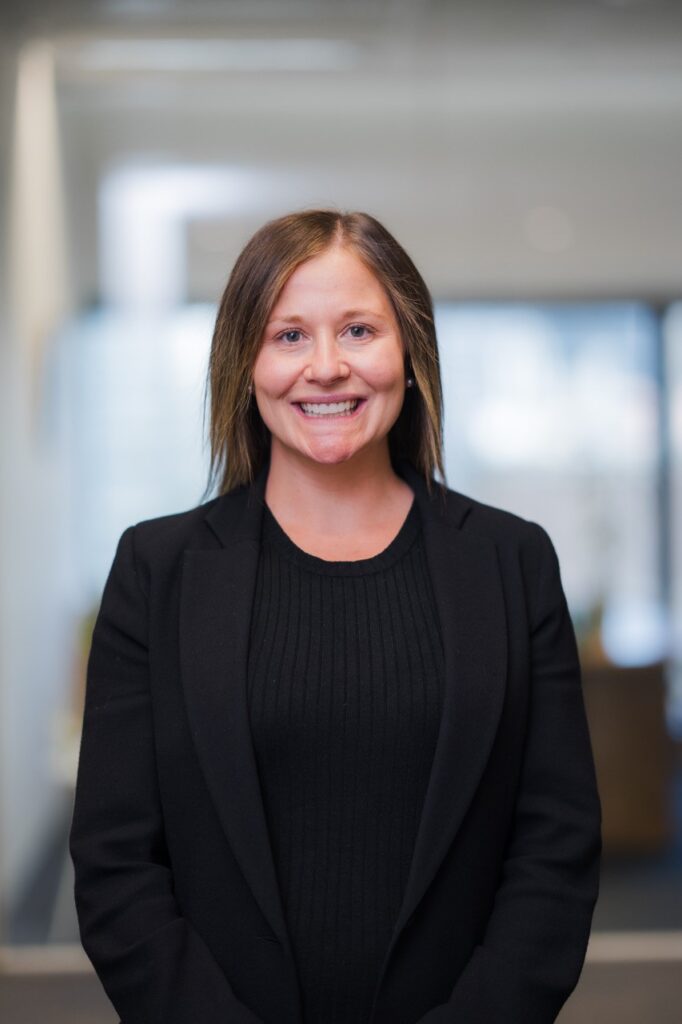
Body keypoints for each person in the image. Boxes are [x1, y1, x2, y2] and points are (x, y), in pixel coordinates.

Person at [69, 209, 602, 1024]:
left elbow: (555, 852)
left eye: (359, 330)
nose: (326, 368)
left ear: (410, 354)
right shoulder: (157, 571)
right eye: (289, 336)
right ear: (244, 365)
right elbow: (116, 866)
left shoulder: (511, 562)